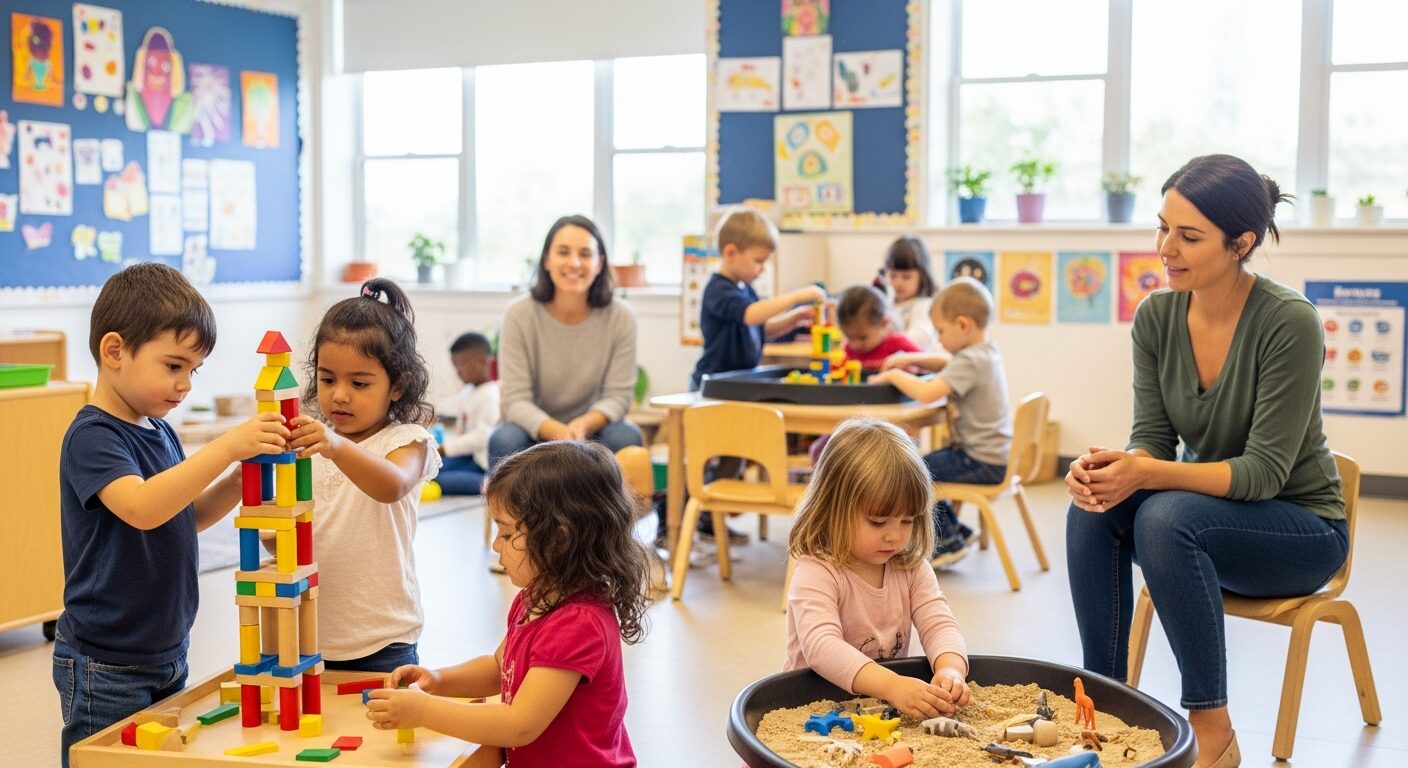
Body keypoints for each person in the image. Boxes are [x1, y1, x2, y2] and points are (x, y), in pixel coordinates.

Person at [1064, 154, 1347, 768]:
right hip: (1207, 516)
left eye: (1189, 236)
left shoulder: (1289, 322)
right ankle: (1103, 707)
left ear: (1240, 243)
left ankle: (1212, 730)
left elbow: (1263, 474)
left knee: (1165, 517)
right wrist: (1112, 470)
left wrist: (1145, 473)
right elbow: (1151, 441)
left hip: (1302, 531)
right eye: (1162, 227)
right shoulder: (1156, 316)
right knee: (1094, 507)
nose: (1166, 248)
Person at [53, 263, 290, 766]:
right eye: (174, 365)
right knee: (105, 759)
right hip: (106, 662)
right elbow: (143, 508)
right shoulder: (94, 436)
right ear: (115, 351)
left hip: (167, 649)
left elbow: (184, 514)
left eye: (193, 371)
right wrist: (226, 447)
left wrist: (236, 480)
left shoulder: (159, 430)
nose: (185, 385)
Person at [366, 441, 651, 768]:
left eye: (505, 534)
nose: (495, 545)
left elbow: (519, 725)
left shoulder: (577, 623)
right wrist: (438, 680)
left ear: (558, 539)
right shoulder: (536, 597)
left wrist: (424, 711)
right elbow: (499, 667)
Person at [286, 278, 442, 672]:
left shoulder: (408, 441)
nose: (339, 394)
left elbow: (392, 484)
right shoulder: (315, 443)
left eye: (359, 383)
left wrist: (336, 446)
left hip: (383, 640)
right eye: (327, 379)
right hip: (311, 637)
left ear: (397, 386)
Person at [785, 418, 972, 719]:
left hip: (878, 708)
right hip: (813, 705)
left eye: (907, 521)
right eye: (878, 522)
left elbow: (939, 624)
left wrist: (951, 669)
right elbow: (822, 646)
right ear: (832, 510)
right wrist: (892, 686)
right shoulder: (818, 570)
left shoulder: (911, 567)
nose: (894, 536)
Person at [688, 207, 827, 543]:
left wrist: (794, 318)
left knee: (734, 457)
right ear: (731, 253)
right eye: (759, 261)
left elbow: (761, 327)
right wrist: (798, 295)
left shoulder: (743, 288)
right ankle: (686, 517)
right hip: (714, 388)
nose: (762, 269)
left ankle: (710, 521)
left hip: (739, 388)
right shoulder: (719, 289)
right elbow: (751, 316)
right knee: (710, 456)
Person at [873, 278, 1011, 568]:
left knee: (916, 470)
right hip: (993, 458)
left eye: (940, 331)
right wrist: (909, 359)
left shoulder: (970, 361)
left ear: (963, 325)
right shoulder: (985, 351)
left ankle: (947, 542)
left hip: (978, 460)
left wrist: (893, 375)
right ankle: (957, 530)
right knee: (928, 465)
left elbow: (927, 393)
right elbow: (945, 364)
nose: (938, 339)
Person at [489, 215, 642, 469]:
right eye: (563, 252)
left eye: (585, 254)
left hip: (592, 429)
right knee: (505, 438)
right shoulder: (518, 314)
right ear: (547, 260)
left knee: (625, 436)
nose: (574, 263)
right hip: (534, 429)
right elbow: (515, 400)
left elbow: (618, 396)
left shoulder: (622, 316)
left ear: (600, 264)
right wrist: (557, 432)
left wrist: (581, 426)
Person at [435, 332, 498, 495]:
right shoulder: (470, 391)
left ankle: (494, 486)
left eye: (461, 366)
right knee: (432, 468)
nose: (458, 372)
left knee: (439, 479)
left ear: (482, 361)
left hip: (481, 465)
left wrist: (445, 449)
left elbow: (482, 437)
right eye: (456, 367)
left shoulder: (490, 396)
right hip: (468, 457)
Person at [835, 284, 922, 372]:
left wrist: (910, 367)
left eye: (863, 337)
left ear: (883, 323)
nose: (856, 344)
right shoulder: (847, 349)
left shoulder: (898, 342)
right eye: (849, 337)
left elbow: (925, 363)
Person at [881, 236, 940, 353]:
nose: (898, 282)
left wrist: (888, 344)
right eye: (892, 276)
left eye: (906, 277)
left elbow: (919, 337)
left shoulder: (923, 305)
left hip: (916, 360)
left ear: (922, 276)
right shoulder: (887, 303)